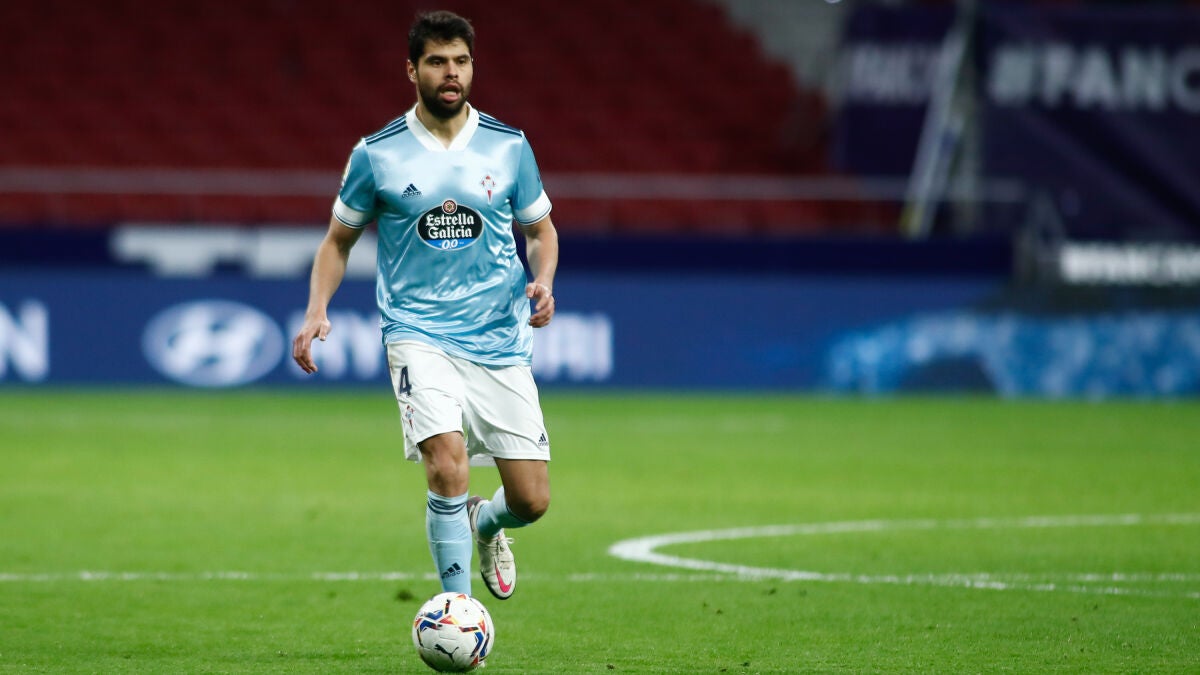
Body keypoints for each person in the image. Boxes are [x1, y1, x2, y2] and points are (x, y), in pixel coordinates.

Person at [291, 9, 558, 601]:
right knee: (446, 463)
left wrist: (543, 278)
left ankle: (484, 522)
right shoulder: (377, 154)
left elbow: (540, 230)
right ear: (412, 70)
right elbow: (337, 242)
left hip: (498, 336)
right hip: (417, 331)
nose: (450, 72)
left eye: (460, 61)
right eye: (437, 62)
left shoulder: (509, 146)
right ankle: (457, 608)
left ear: (473, 67)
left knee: (532, 500)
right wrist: (316, 310)